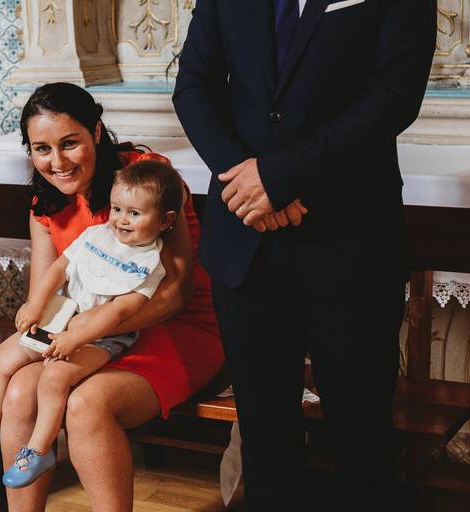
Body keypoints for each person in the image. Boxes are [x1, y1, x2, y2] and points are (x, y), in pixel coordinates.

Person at [173, 1, 436, 510]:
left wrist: (280, 178)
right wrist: (245, 180)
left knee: (361, 440)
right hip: (245, 241)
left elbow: (393, 97)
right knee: (264, 437)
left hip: (349, 242)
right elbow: (194, 85)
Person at [0, 82, 224, 510]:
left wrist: (90, 329)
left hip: (176, 326)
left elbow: (175, 293)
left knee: (86, 403)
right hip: (90, 331)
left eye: (69, 144)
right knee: (22, 389)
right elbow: (45, 296)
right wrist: (34, 341)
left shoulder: (146, 176)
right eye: (41, 149)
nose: (57, 162)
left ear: (96, 132)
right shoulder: (46, 203)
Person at [0, 160, 184, 488]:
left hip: (102, 339)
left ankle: (39, 450)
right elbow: (59, 268)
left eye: (135, 213)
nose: (121, 219)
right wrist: (35, 304)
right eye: (118, 208)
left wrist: (77, 339)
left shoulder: (150, 265)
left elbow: (117, 313)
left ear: (165, 221)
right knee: (2, 358)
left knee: (55, 376)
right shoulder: (96, 235)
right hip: (61, 318)